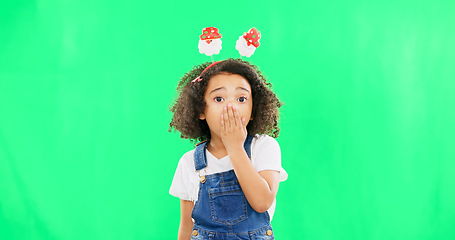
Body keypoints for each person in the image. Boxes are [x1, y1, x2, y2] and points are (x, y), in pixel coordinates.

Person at [169, 58, 288, 240]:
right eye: (219, 98)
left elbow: (262, 202)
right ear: (201, 110)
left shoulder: (264, 147)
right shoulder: (189, 162)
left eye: (241, 99)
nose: (230, 106)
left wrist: (235, 147)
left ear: (253, 109)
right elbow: (186, 227)